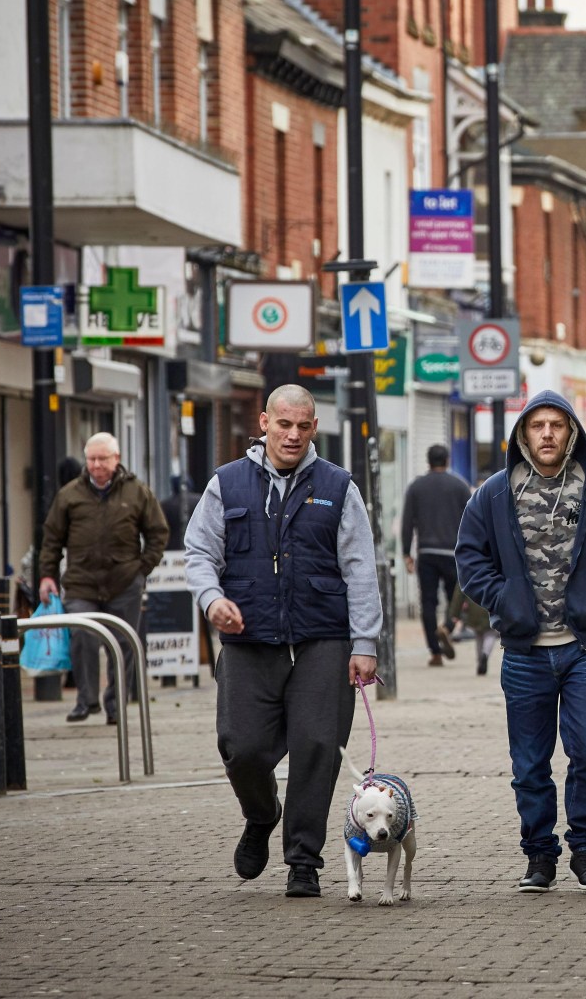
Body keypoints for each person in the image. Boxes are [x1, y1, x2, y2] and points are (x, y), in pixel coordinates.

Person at [183, 385, 383, 898]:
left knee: (317, 748)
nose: (293, 435)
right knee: (242, 746)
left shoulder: (339, 487)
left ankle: (303, 861)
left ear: (314, 429)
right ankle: (261, 813)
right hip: (249, 635)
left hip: (324, 636)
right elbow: (200, 551)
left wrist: (365, 642)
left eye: (303, 426)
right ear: (264, 422)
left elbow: (360, 568)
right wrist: (212, 600)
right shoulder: (226, 484)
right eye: (283, 425)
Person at [456, 391, 586, 894]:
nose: (546, 434)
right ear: (523, 434)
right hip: (523, 652)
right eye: (536, 425)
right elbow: (469, 559)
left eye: (555, 426)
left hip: (583, 647)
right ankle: (539, 856)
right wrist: (503, 599)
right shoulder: (493, 494)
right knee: (530, 762)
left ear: (570, 433)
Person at [39, 432, 170, 725]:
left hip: (124, 583)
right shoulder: (69, 494)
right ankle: (86, 700)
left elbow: (158, 532)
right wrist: (47, 575)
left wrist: (141, 570)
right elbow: (51, 539)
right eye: (92, 459)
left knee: (123, 644)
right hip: (81, 583)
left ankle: (116, 706)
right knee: (83, 636)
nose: (96, 465)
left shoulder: (137, 492)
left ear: (116, 459)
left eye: (102, 459)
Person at [401, 444, 472, 667]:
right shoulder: (460, 486)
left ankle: (435, 652)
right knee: (456, 600)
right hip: (453, 553)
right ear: (448, 460)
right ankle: (447, 628)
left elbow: (407, 521)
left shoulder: (416, 487)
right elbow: (471, 521)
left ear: (428, 461)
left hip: (427, 553)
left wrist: (406, 553)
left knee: (428, 602)